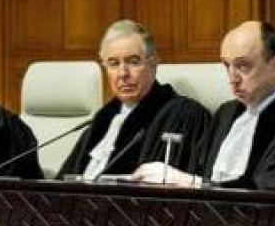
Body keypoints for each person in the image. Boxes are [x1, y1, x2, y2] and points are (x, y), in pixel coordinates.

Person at [133, 21, 275, 192]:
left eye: (243, 66)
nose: (232, 78)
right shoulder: (225, 114)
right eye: (227, 65)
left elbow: (269, 198)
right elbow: (198, 171)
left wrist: (191, 183)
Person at [56, 20, 211, 179]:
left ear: (153, 65)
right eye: (114, 64)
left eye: (133, 62)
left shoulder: (183, 116)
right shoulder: (101, 121)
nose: (123, 73)